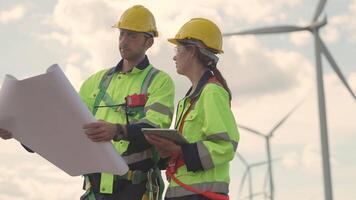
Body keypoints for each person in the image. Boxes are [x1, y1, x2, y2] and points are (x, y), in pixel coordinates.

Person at [79, 5, 175, 200]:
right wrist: (23, 135)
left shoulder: (160, 82)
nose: (124, 41)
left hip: (136, 189)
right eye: (122, 34)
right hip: (96, 189)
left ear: (149, 42)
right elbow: (68, 124)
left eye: (132, 36)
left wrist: (117, 130)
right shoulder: (95, 82)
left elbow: (154, 129)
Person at [145, 18, 239, 200]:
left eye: (177, 50)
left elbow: (226, 145)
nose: (174, 56)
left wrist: (179, 151)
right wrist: (167, 152)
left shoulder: (212, 92)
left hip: (202, 196)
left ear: (192, 52)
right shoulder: (188, 100)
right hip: (182, 193)